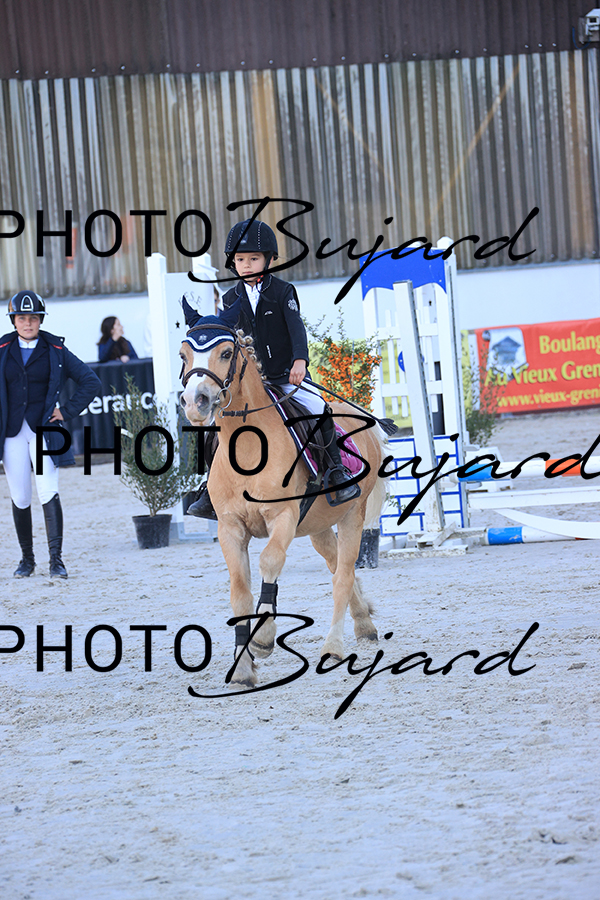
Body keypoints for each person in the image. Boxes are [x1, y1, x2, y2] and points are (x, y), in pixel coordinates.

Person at [186, 218, 361, 519]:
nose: (247, 265)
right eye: (241, 260)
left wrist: (300, 361)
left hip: (285, 375)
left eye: (254, 259)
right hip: (248, 383)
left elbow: (296, 329)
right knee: (215, 424)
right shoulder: (230, 299)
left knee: (317, 407)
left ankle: (335, 470)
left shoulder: (282, 291)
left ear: (268, 259)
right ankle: (209, 486)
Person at [0, 290, 101, 578]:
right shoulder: (2, 348)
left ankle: (56, 560)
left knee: (48, 491)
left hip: (43, 430)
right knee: (20, 496)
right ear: (14, 320)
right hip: (12, 433)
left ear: (40, 320)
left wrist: (66, 411)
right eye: (22, 318)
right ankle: (27, 560)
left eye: (33, 318)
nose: (27, 323)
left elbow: (90, 382)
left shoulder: (55, 349)